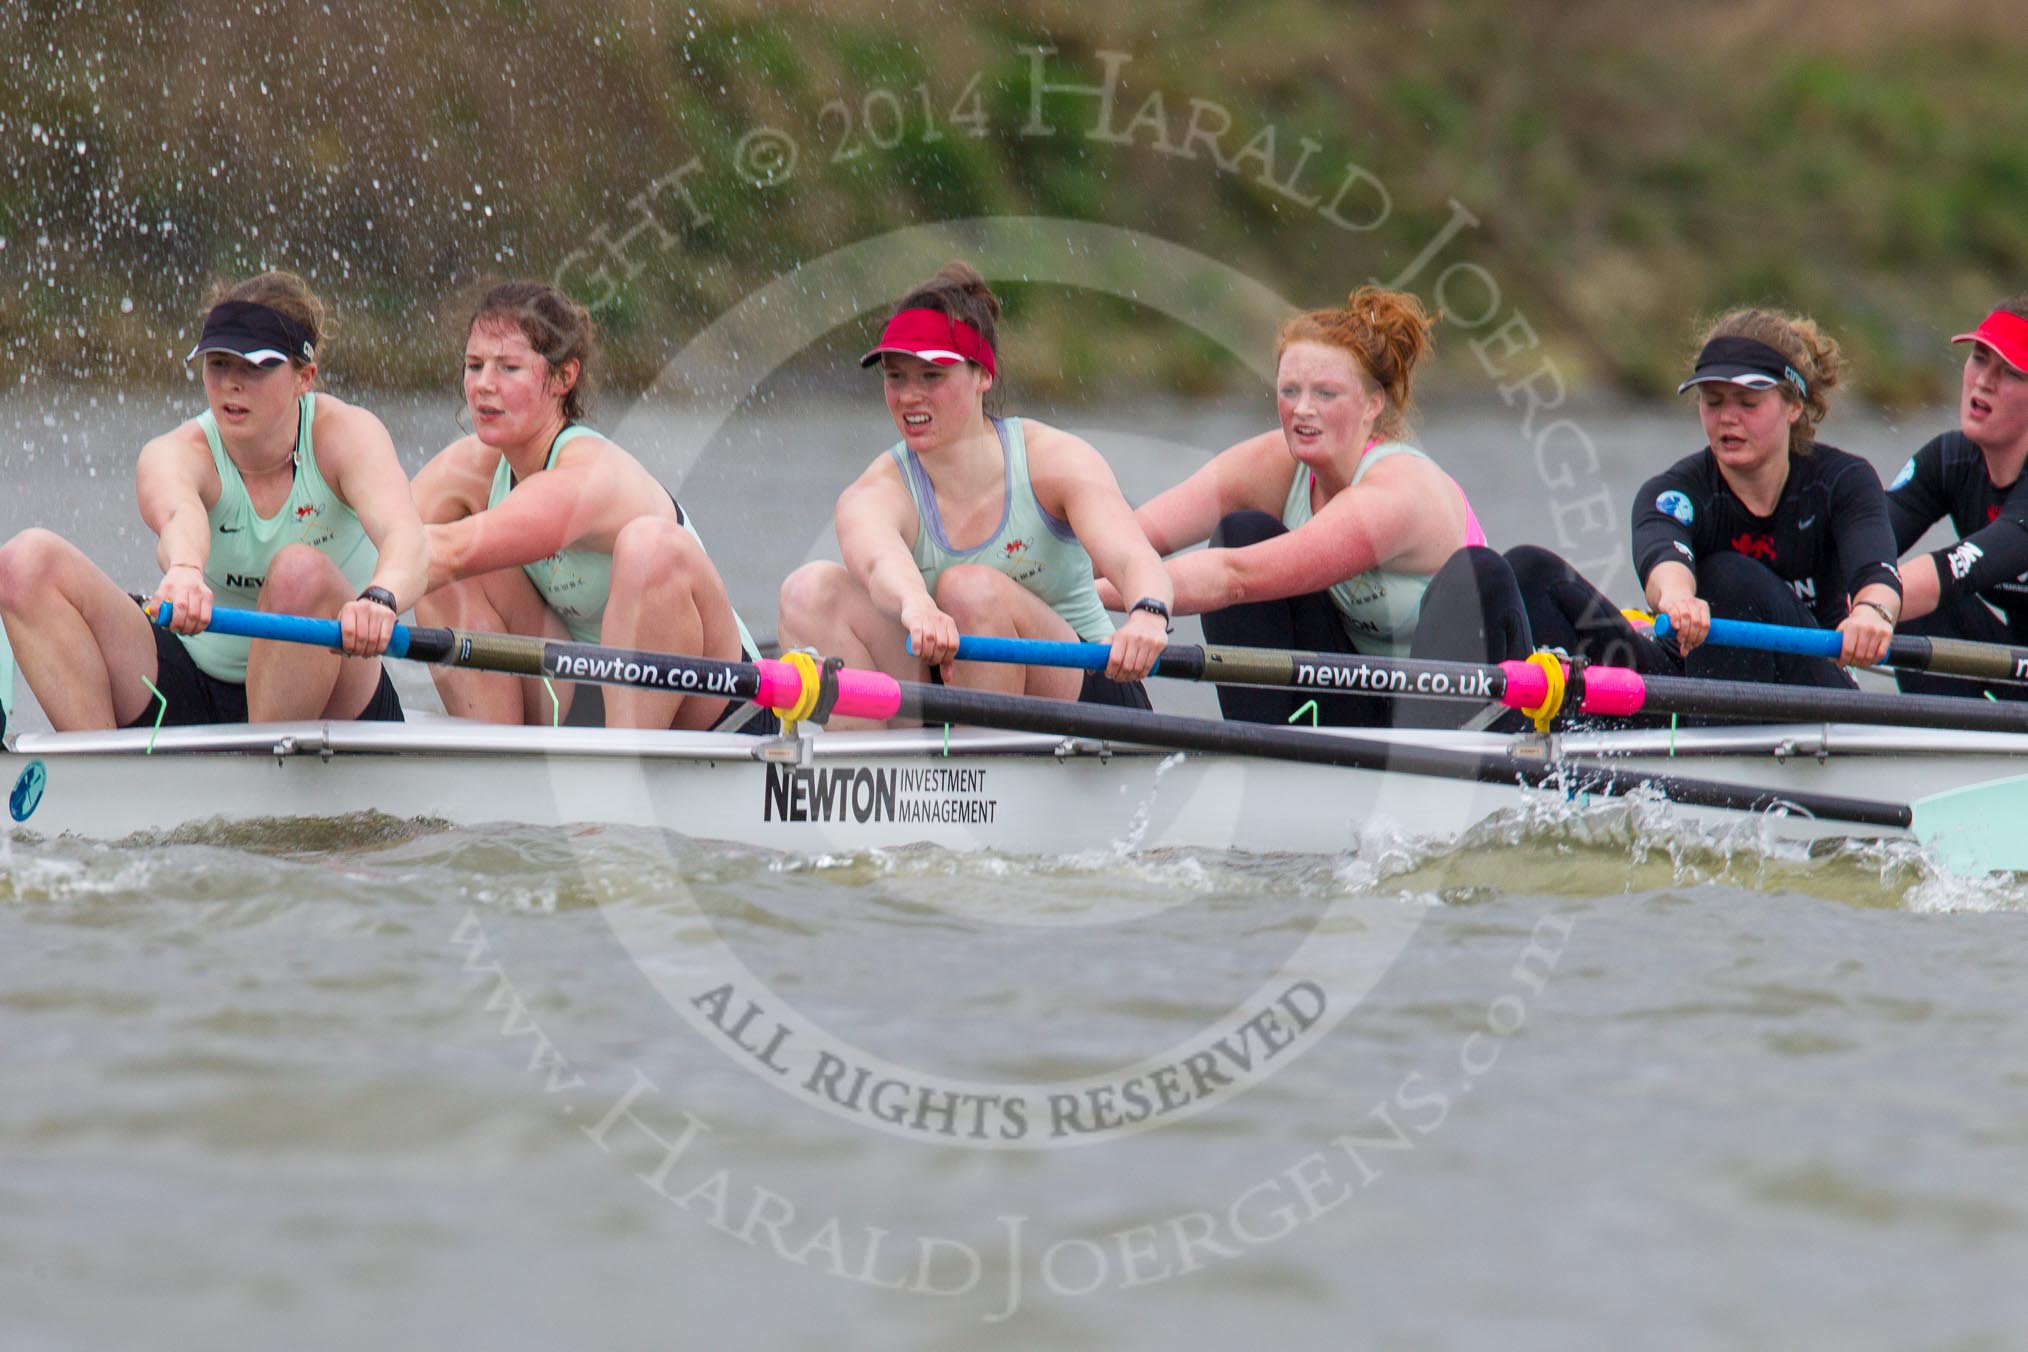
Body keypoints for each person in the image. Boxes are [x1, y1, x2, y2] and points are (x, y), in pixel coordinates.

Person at [0, 271, 426, 730]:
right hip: (195, 683)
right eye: (218, 364)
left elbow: (406, 538)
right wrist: (185, 570)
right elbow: (180, 518)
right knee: (24, 562)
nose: (231, 384)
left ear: (305, 377)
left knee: (298, 572)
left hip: (333, 691)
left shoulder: (347, 437)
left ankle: (263, 785)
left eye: (255, 366)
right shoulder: (177, 452)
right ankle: (100, 783)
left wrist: (380, 600)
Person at [1106, 285, 1526, 727]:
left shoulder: (1399, 490)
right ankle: (1263, 749)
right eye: (1290, 390)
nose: (1303, 410)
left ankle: (1422, 775)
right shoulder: (1267, 464)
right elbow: (1127, 540)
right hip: (1357, 698)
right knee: (1242, 531)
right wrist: (1039, 578)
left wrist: (1122, 600)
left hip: (1455, 713)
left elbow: (1235, 579)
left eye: (1326, 394)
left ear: (1372, 403)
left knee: (1480, 571)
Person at [776, 262, 1172, 724]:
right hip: (954, 689)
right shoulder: (878, 489)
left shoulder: (1054, 460)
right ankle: (878, 771)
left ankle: (976, 775)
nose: (908, 397)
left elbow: (1131, 557)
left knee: (968, 591)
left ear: (984, 374)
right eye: (896, 376)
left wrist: (1148, 613)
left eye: (932, 376)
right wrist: (917, 606)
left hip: (1090, 692)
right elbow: (880, 562)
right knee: (809, 592)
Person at [411, 280, 764, 731]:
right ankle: (497, 770)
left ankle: (621, 777)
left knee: (649, 545)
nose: (483, 385)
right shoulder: (470, 469)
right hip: (580, 693)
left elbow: (449, 549)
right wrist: (353, 598)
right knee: (444, 581)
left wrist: (385, 595)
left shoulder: (590, 472)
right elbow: (385, 545)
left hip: (714, 704)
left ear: (564, 377)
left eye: (508, 368)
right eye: (474, 365)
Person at [1508, 308, 1900, 689]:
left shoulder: (1843, 481)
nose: (1728, 418)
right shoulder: (1673, 492)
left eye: (1748, 403)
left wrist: (1872, 613)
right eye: (1713, 402)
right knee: (1528, 570)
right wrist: (1678, 598)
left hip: (1809, 685)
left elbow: (1877, 575)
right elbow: (1663, 558)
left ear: (1794, 406)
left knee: (1728, 578)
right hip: (1693, 680)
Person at [1883, 299, 2028, 699]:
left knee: (1894, 594)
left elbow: (1955, 570)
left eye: (2011, 372)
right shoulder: (1950, 460)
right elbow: (1861, 545)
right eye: (1980, 359)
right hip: (2018, 663)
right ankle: (1945, 747)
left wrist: (1869, 609)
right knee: (1898, 595)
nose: (1984, 381)